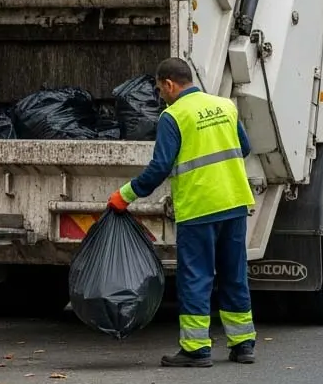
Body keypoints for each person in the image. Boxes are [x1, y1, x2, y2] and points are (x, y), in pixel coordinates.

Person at [108, 57, 256, 368]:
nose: (161, 95)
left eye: (160, 90)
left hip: (199, 208)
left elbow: (159, 167)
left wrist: (125, 195)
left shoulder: (173, 116)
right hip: (234, 202)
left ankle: (196, 349)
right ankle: (243, 345)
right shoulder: (225, 106)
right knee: (234, 274)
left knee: (197, 278)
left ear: (169, 84)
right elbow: (244, 148)